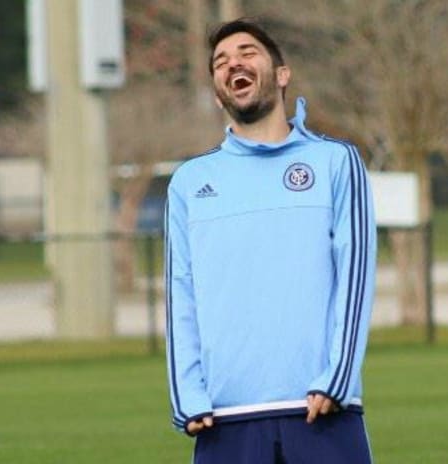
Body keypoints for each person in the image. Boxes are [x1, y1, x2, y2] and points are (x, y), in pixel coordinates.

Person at [165, 18, 376, 463]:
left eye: (247, 53)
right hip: (224, 419)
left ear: (282, 74)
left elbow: (354, 279)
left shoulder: (335, 162)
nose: (232, 63)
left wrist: (336, 377)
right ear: (217, 88)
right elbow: (180, 297)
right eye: (220, 61)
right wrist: (187, 392)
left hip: (322, 410)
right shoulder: (189, 182)